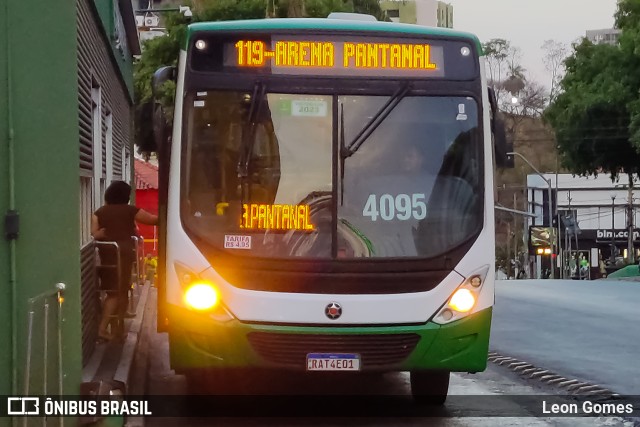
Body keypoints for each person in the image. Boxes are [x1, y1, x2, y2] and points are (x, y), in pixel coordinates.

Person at [92, 181, 158, 341]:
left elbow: (94, 234)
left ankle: (117, 328)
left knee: (113, 291)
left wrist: (102, 234)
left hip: (107, 256)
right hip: (124, 255)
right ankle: (104, 329)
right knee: (118, 292)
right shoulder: (130, 210)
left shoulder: (99, 212)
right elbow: (152, 220)